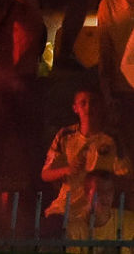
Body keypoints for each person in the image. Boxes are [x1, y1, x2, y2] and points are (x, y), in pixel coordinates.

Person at [42, 89, 127, 218]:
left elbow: (126, 174)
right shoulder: (65, 135)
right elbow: (46, 174)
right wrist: (67, 170)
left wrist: (102, 180)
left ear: (100, 106)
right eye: (83, 103)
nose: (88, 107)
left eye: (93, 102)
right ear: (75, 108)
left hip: (96, 209)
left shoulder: (111, 138)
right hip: (66, 207)